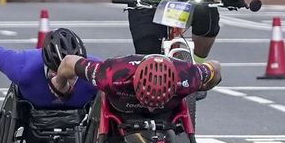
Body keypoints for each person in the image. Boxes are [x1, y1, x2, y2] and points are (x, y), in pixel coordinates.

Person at [56, 51, 222, 119]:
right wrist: (61, 86)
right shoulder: (111, 76)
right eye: (147, 102)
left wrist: (203, 87)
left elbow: (215, 68)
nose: (151, 109)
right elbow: (69, 62)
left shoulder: (188, 76)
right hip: (120, 98)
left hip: (173, 84)